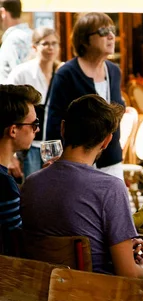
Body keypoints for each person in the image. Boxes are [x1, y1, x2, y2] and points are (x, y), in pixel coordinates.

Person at [21, 94, 143, 301]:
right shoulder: (109, 188)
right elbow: (130, 276)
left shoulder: (31, 183)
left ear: (63, 129)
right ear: (107, 141)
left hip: (50, 299)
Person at [46, 12, 124, 180]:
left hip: (111, 160)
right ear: (85, 39)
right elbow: (54, 120)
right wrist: (55, 159)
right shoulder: (67, 73)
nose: (111, 36)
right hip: (77, 161)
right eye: (104, 31)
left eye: (112, 30)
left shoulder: (114, 71)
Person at [9, 27, 62, 177]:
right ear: (34, 46)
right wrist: (11, 155)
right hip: (29, 144)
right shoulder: (21, 72)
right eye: (45, 43)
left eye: (54, 43)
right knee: (32, 189)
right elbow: (7, 110)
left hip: (55, 145)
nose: (50, 47)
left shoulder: (62, 72)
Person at [0, 84, 41, 253]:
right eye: (33, 124)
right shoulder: (4, 186)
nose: (37, 130)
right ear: (13, 130)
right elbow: (18, 248)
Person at [0, 0, 33, 84]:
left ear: (3, 12)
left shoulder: (13, 39)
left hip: (14, 97)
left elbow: (20, 78)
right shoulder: (31, 35)